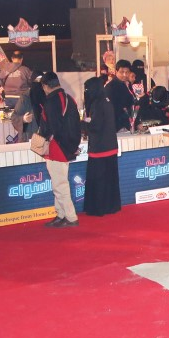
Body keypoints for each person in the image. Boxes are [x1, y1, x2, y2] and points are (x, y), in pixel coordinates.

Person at [35, 72, 83, 228]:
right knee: (59, 182)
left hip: (57, 147)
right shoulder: (69, 98)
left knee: (59, 185)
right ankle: (61, 214)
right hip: (67, 146)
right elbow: (76, 124)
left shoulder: (51, 102)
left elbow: (53, 127)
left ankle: (70, 216)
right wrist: (73, 146)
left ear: (45, 86)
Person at [82, 76, 122, 216]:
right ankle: (111, 206)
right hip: (111, 146)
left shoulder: (97, 103)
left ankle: (98, 208)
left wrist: (84, 124)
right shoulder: (107, 100)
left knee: (98, 181)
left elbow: (96, 126)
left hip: (99, 148)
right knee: (110, 180)